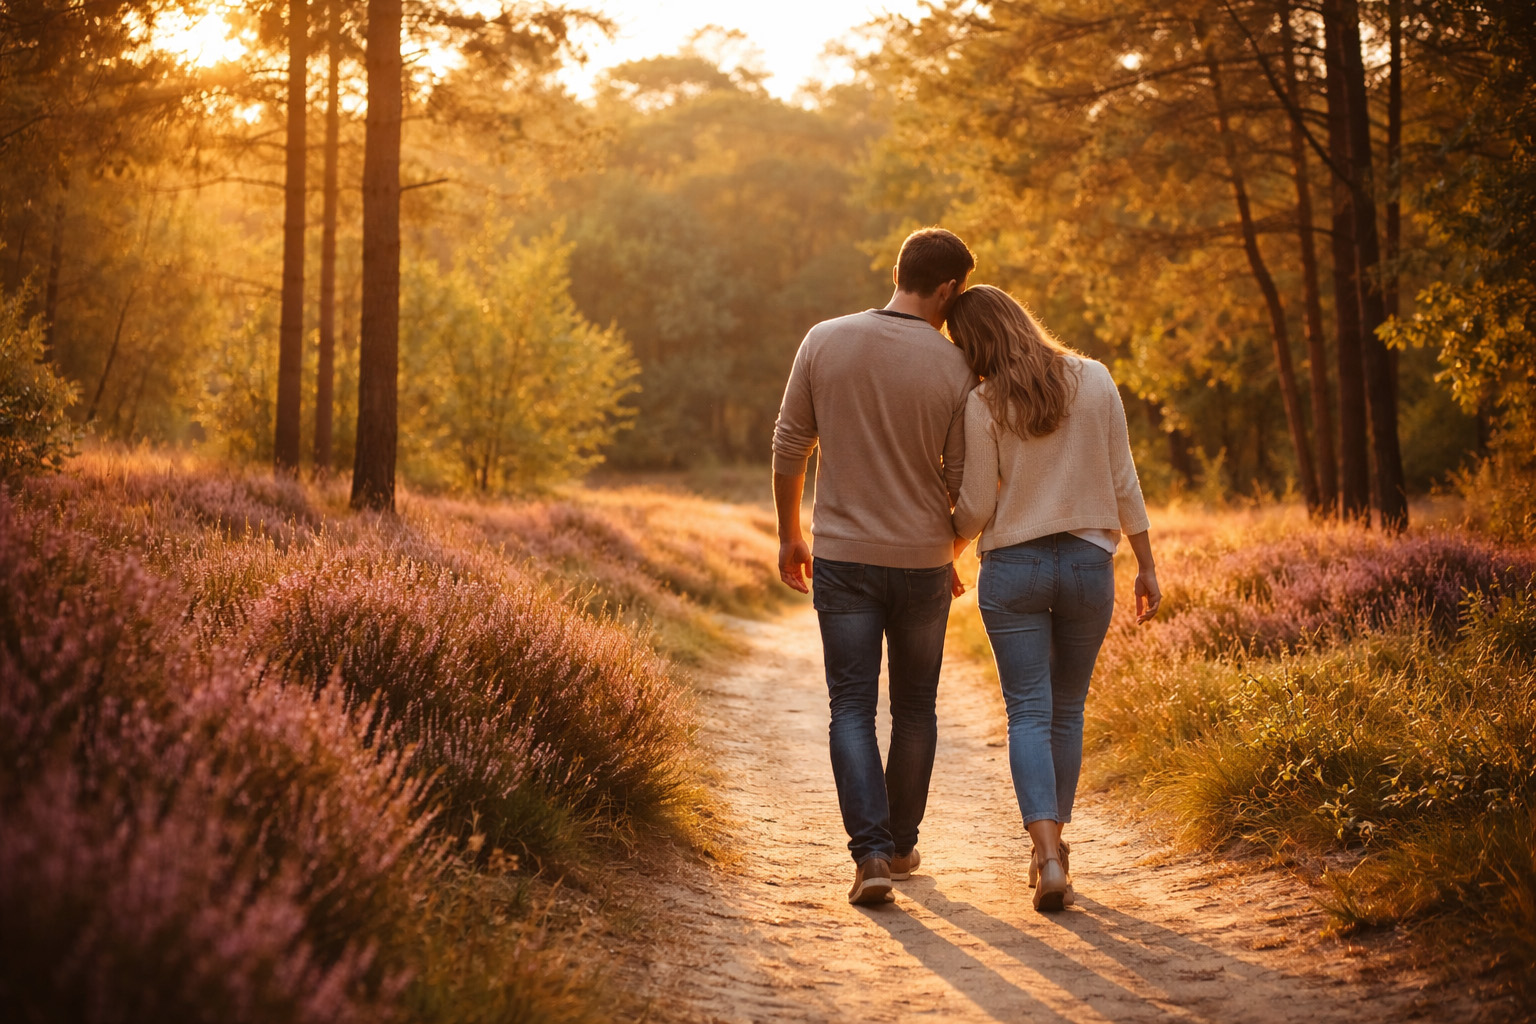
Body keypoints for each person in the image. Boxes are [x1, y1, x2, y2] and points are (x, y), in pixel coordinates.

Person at [771, 227, 977, 906]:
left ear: (901, 272)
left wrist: (789, 535)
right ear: (946, 288)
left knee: (851, 706)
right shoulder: (955, 366)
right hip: (922, 563)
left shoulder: (823, 339)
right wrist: (946, 550)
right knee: (915, 706)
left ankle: (869, 857)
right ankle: (898, 842)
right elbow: (960, 478)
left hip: (843, 558)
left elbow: (790, 444)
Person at [948, 284, 1162, 912]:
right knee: (1067, 711)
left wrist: (949, 550)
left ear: (975, 346)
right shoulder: (1094, 379)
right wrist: (1146, 564)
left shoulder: (982, 400)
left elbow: (977, 507)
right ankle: (1059, 849)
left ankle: (1044, 856)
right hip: (1089, 566)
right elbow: (1124, 479)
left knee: (1029, 714)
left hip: (1012, 567)